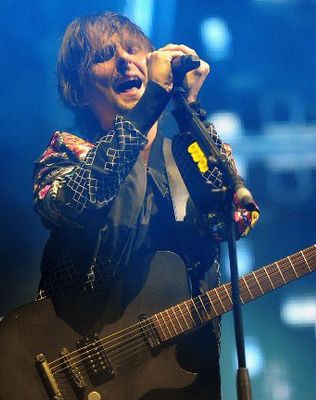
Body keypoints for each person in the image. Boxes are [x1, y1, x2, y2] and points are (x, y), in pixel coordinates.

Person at [31, 11, 259, 399]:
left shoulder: (186, 151)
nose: (125, 60)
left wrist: (188, 111)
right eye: (104, 55)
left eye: (135, 50)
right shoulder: (64, 154)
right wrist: (150, 103)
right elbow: (79, 202)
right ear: (81, 91)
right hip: (89, 372)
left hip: (186, 372)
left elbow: (233, 222)